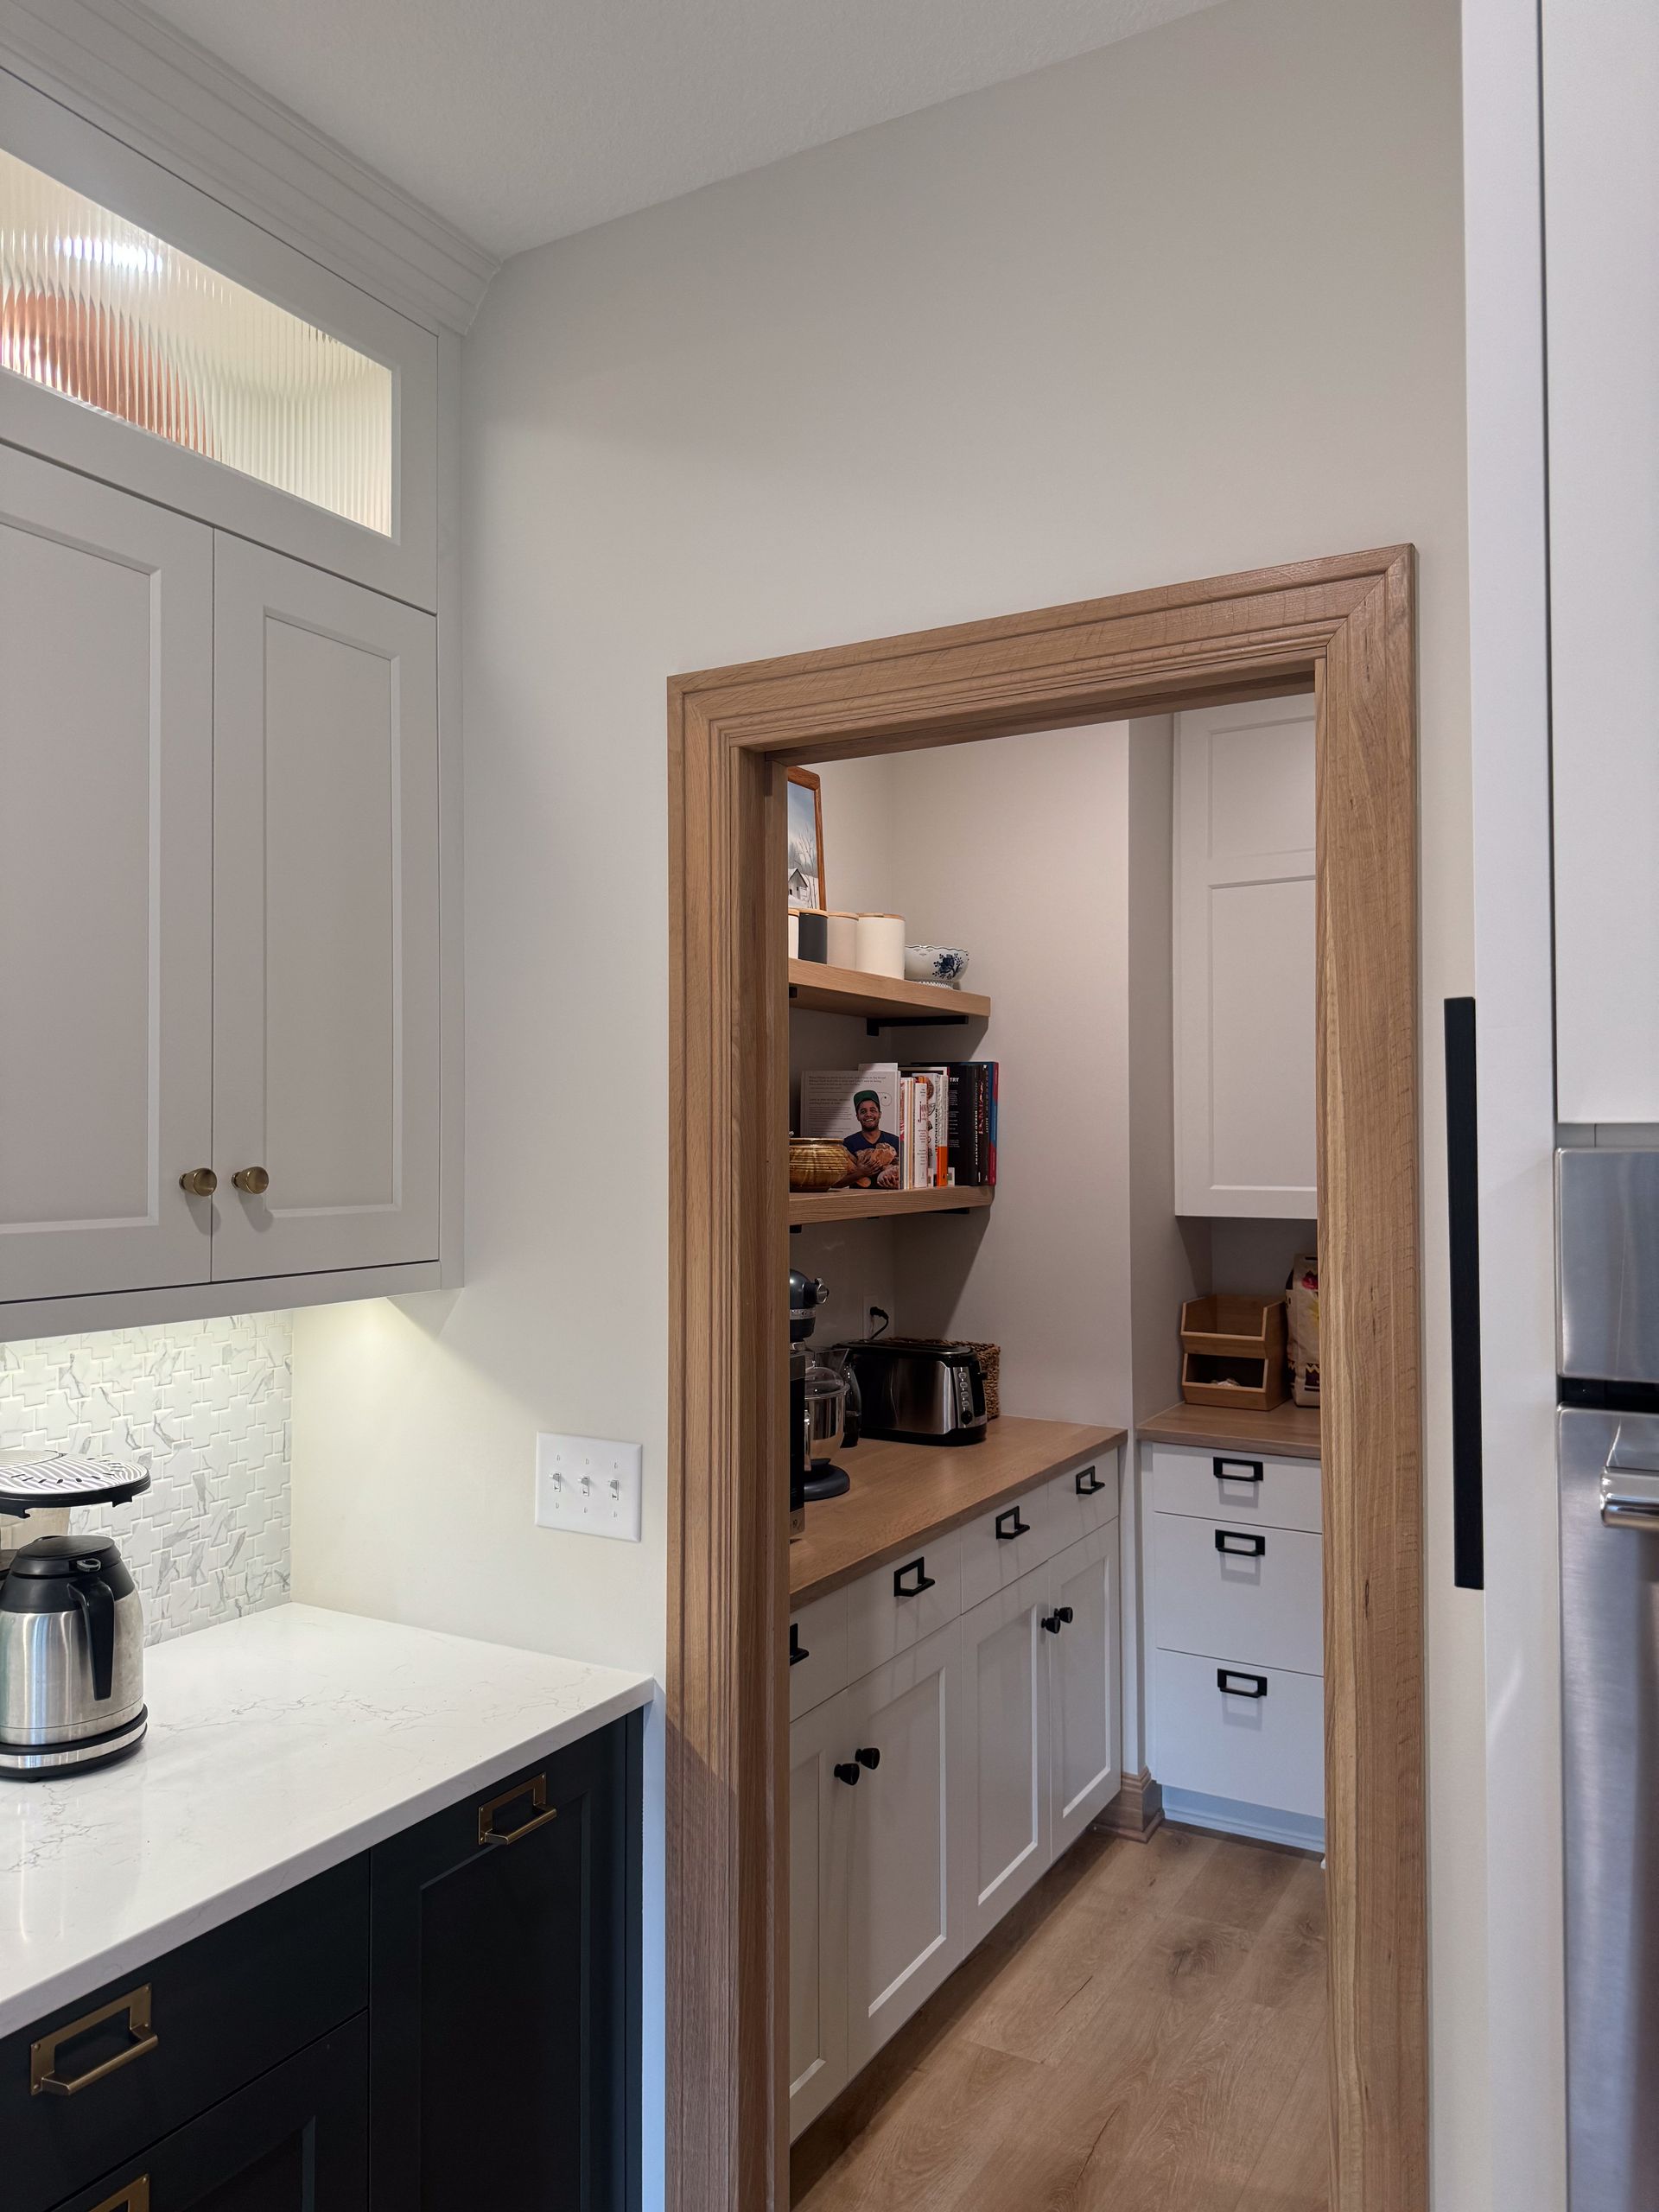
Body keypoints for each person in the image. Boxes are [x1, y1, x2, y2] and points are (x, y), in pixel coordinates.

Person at [843, 1090, 901, 1188]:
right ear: (857, 1116)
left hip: (890, 1199)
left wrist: (897, 1185)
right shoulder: (848, 1144)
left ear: (880, 1114)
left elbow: (907, 1176)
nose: (868, 1114)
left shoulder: (895, 1141)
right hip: (858, 1200)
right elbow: (837, 1183)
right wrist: (860, 1173)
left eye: (873, 1110)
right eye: (863, 1111)